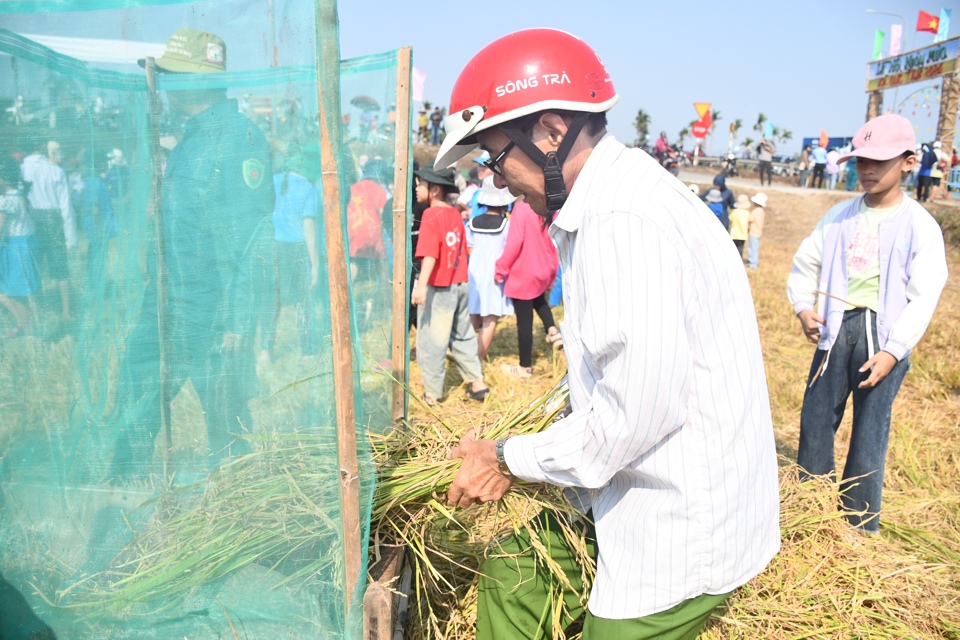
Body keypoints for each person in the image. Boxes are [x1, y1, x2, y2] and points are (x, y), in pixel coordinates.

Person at [435, 28, 779, 640]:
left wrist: (507, 457)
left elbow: (632, 417)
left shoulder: (625, 220)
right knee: (515, 578)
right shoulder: (600, 203)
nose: (497, 178)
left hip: (675, 522)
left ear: (549, 131)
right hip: (619, 489)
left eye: (494, 156)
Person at [111, 27, 276, 477]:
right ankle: (121, 493)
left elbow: (251, 238)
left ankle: (237, 503)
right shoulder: (191, 140)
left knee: (225, 416)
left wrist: (237, 321)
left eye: (172, 74)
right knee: (136, 390)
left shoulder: (237, 139)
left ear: (197, 81)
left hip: (211, 307)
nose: (163, 84)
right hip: (167, 298)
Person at [787, 114, 947, 534]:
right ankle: (809, 506)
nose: (869, 170)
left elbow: (925, 292)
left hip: (883, 334)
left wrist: (894, 351)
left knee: (870, 428)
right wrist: (804, 308)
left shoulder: (919, 226)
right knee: (817, 417)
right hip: (837, 327)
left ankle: (859, 523)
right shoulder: (840, 216)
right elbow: (806, 263)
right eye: (862, 161)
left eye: (881, 161)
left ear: (909, 162)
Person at [410, 166, 489, 406]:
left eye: (420, 184)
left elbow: (430, 253)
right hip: (460, 283)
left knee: (432, 341)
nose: (416, 188)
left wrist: (421, 285)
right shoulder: (454, 213)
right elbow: (461, 248)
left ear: (434, 189)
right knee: (463, 334)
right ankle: (477, 383)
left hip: (439, 286)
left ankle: (432, 394)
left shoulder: (430, 215)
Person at [259, 145, 319, 362]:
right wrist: (315, 263)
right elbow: (309, 227)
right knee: (303, 300)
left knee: (270, 299)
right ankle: (306, 352)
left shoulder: (270, 182)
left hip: (272, 248)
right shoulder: (307, 187)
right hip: (298, 249)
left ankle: (265, 351)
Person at [494, 198, 562, 378]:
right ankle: (553, 330)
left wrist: (500, 268)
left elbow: (514, 243)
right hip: (543, 268)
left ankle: (525, 367)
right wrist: (552, 273)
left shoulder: (522, 208)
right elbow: (553, 244)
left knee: (524, 322)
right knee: (539, 299)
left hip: (523, 271)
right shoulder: (546, 206)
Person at [20, 136, 75, 323]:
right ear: (42, 145)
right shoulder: (55, 170)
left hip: (31, 221)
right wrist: (71, 237)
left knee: (34, 266)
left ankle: (38, 311)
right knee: (61, 267)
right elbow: (66, 207)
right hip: (54, 219)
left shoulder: (21, 169)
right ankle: (66, 310)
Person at [467, 176, 515, 359]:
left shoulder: (472, 222)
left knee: (474, 314)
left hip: (474, 273)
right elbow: (509, 249)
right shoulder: (506, 225)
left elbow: (468, 247)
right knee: (490, 318)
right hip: (495, 276)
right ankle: (477, 359)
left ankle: (464, 355)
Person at [0, 153, 39, 338]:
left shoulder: (6, 201)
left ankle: (33, 336)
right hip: (26, 244)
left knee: (18, 294)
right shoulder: (20, 196)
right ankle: (27, 329)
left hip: (15, 247)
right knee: (21, 292)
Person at [746, 192, 766, 270]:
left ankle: (752, 264)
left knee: (752, 248)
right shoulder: (762, 211)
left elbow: (751, 220)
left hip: (753, 232)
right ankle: (753, 262)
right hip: (759, 232)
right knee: (755, 248)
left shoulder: (755, 211)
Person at [730, 194, 750, 259]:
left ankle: (733, 259)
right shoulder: (747, 213)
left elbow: (730, 220)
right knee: (740, 249)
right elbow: (749, 222)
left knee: (733, 249)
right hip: (743, 234)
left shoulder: (735, 212)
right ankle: (739, 260)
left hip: (734, 234)